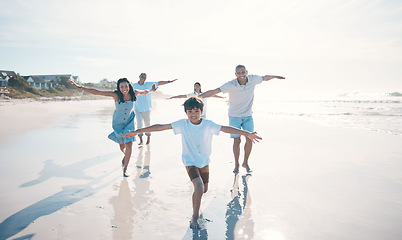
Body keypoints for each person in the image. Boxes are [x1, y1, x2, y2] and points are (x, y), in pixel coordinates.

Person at [124, 97, 262, 229]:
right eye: (190, 111)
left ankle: (196, 199)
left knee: (203, 189)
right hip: (189, 161)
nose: (193, 114)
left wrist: (246, 133)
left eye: (196, 111)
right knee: (200, 187)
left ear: (202, 111)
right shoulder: (183, 124)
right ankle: (195, 216)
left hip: (204, 161)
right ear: (186, 112)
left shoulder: (208, 124)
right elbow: (161, 127)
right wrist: (138, 131)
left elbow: (226, 128)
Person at [198, 65, 285, 173]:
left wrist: (276, 76)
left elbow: (265, 77)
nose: (241, 75)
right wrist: (198, 97)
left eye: (243, 72)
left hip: (248, 115)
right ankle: (236, 164)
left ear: (246, 72)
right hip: (234, 116)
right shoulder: (230, 84)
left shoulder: (253, 79)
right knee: (237, 140)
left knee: (250, 138)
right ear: (235, 74)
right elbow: (214, 91)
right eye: (238, 73)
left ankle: (245, 162)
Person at [69, 78, 157, 177]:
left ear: (129, 86)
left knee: (129, 147)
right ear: (118, 88)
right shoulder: (115, 95)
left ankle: (125, 169)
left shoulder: (134, 93)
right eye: (121, 87)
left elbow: (145, 92)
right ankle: (125, 155)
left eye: (126, 86)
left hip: (129, 123)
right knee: (122, 146)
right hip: (118, 124)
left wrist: (152, 90)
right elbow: (97, 92)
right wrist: (80, 87)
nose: (124, 89)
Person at [133, 73, 178, 145]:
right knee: (139, 124)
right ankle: (141, 140)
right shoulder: (134, 85)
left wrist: (169, 81)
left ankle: (148, 138)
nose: (143, 79)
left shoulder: (149, 84)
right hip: (137, 108)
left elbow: (159, 83)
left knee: (147, 124)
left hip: (147, 108)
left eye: (144, 78)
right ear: (139, 76)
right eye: (142, 77)